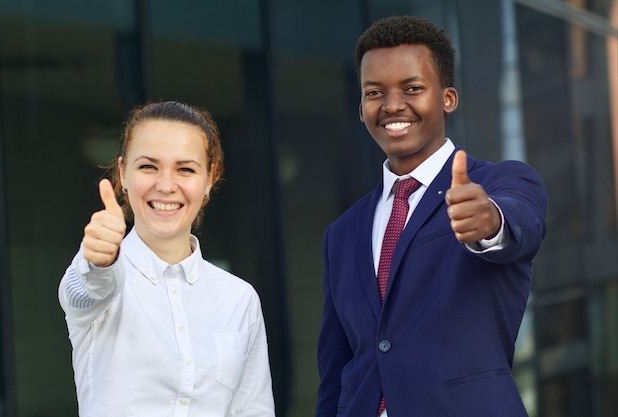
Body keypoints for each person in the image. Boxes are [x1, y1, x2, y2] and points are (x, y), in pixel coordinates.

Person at [315, 16, 548, 417]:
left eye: (412, 88)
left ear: (448, 98)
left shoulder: (499, 183)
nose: (392, 105)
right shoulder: (342, 233)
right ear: (361, 107)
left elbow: (518, 223)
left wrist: (488, 221)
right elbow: (336, 370)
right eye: (375, 92)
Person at [58, 101, 275, 417]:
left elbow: (253, 410)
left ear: (210, 179)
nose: (165, 185)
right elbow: (86, 288)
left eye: (185, 169)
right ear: (123, 173)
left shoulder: (239, 298)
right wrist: (99, 260)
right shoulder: (106, 277)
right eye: (148, 166)